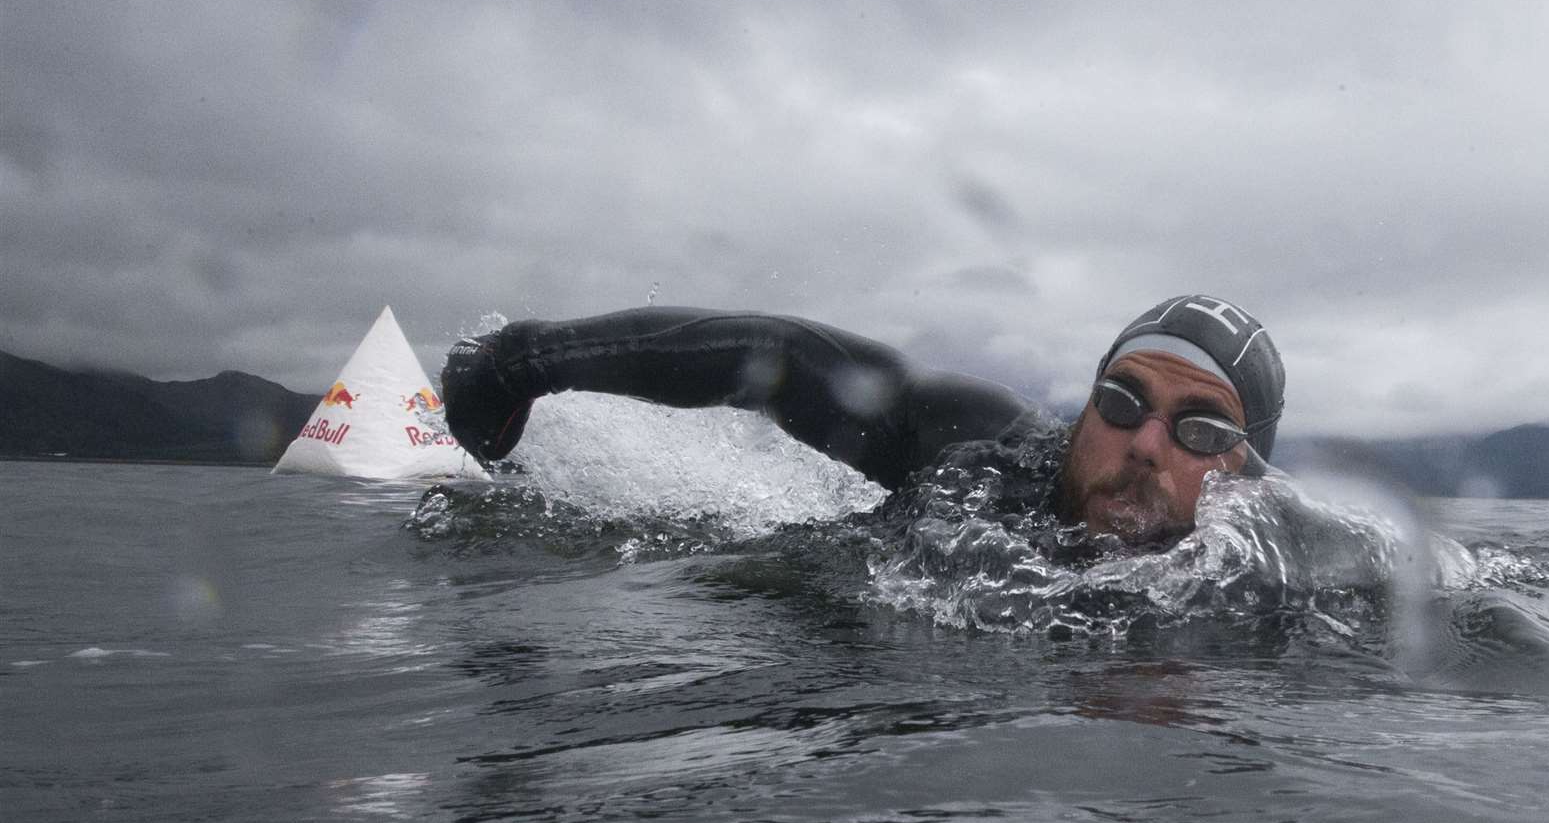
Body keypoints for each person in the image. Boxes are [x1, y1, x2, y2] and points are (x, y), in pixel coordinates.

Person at [441, 295, 1284, 548]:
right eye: (1121, 402)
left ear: (1245, 474)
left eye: (1200, 430)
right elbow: (780, 357)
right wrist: (523, 363)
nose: (1143, 444)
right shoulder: (983, 450)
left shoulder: (1283, 573)